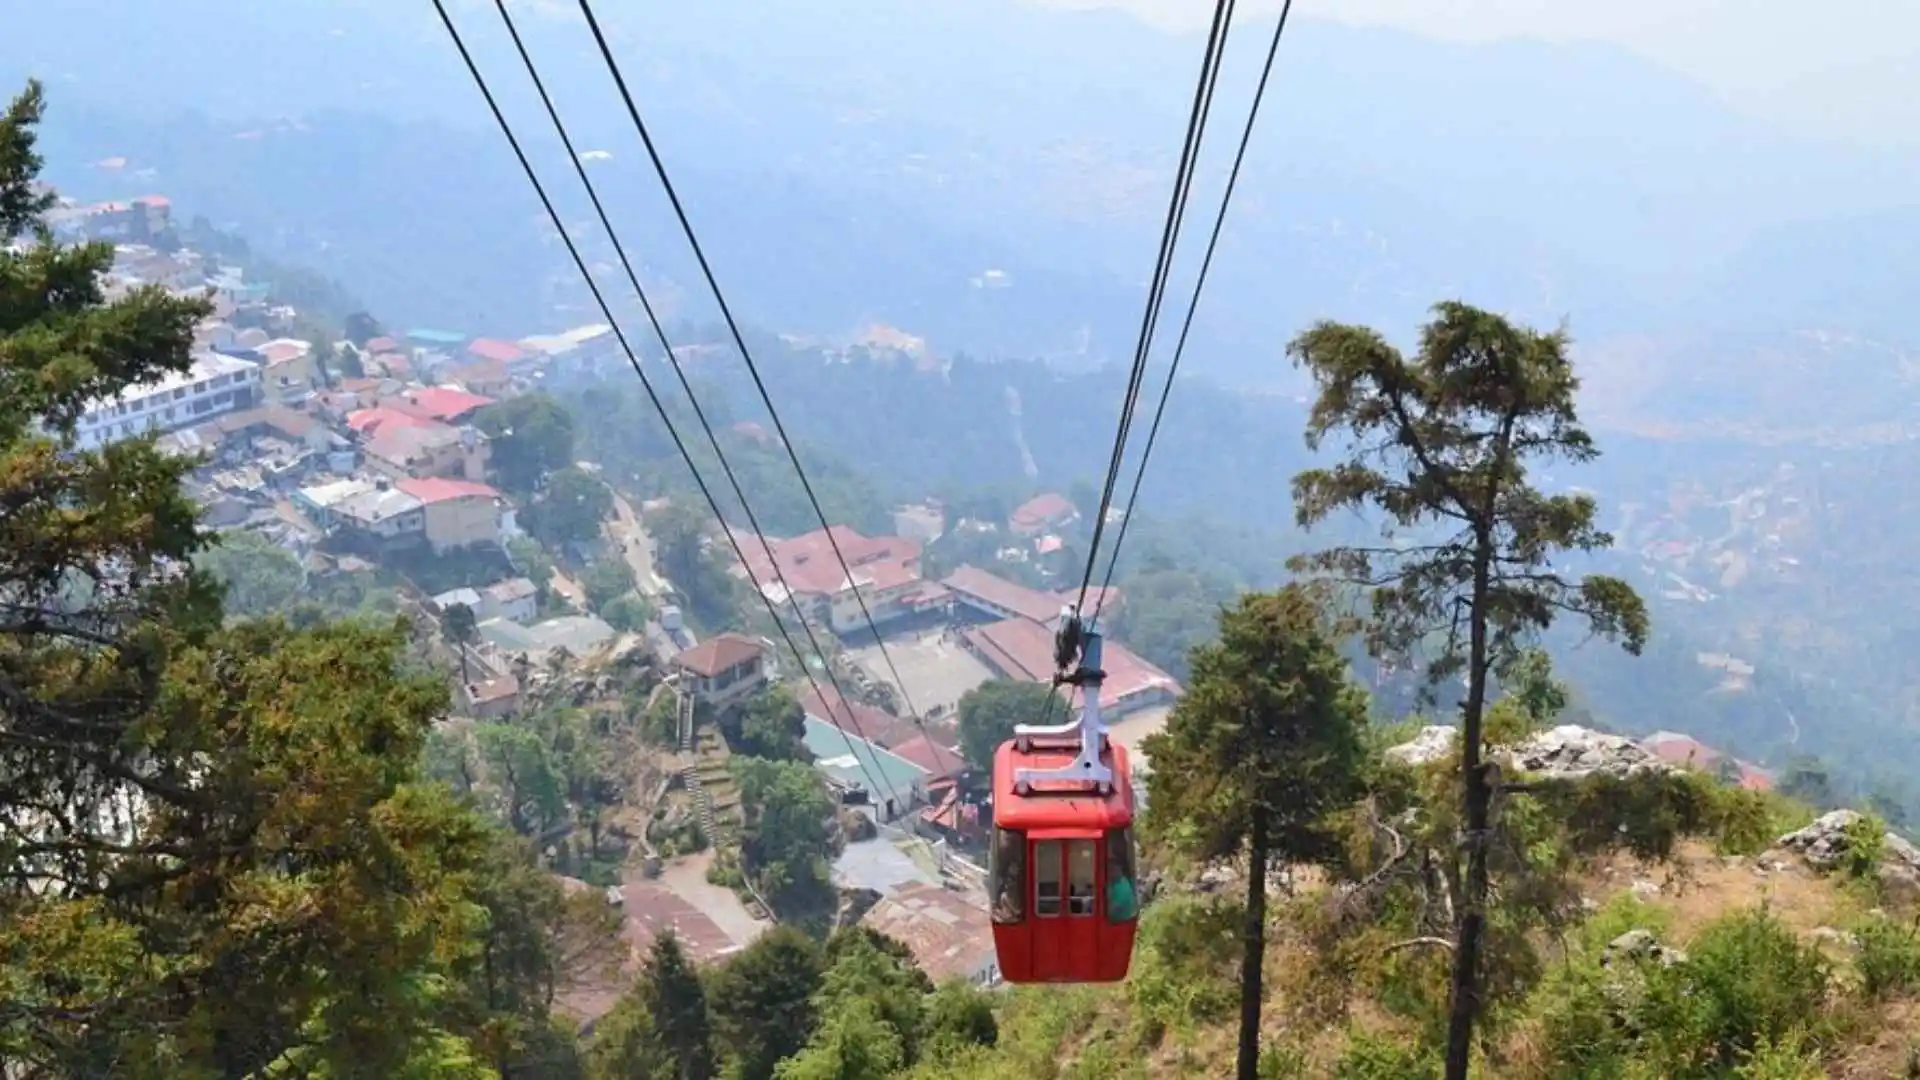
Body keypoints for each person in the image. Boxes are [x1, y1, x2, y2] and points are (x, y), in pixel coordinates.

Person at [1106, 839, 1138, 922]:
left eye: (1111, 867)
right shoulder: (1116, 883)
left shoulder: (1121, 887)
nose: (1108, 871)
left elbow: (1110, 911)